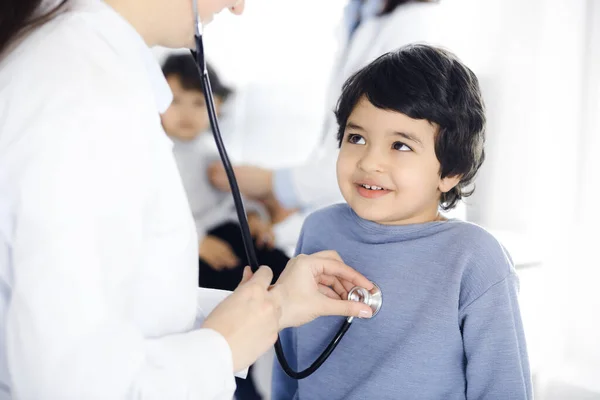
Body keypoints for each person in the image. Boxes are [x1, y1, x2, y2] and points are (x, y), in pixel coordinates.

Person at [0, 1, 376, 399]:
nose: (238, 6)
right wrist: (221, 348)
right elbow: (67, 384)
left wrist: (273, 306)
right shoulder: (87, 100)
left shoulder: (80, 67)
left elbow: (120, 309)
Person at [271, 45, 533, 399]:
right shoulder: (319, 229)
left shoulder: (474, 257)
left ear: (451, 171)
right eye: (356, 138)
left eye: (401, 145)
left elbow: (503, 388)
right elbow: (288, 359)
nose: (369, 162)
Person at [209, 0, 444, 248]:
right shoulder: (360, 14)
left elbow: (383, 155)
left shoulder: (413, 25)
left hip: (386, 228)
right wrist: (289, 201)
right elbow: (340, 141)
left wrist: (273, 183)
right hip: (341, 208)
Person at [161, 53, 289, 399]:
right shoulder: (158, 153)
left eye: (198, 103)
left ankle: (290, 325)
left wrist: (256, 217)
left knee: (275, 262)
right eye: (175, 101)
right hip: (191, 247)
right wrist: (198, 240)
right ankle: (249, 365)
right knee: (229, 290)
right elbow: (156, 212)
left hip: (228, 232)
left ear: (216, 106)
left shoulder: (211, 149)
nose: (188, 113)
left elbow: (233, 196)